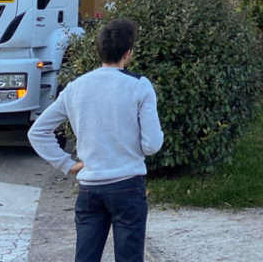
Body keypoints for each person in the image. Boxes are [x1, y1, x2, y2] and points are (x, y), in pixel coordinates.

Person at [28, 18, 163, 262]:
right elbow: (152, 145)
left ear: (99, 50)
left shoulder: (76, 87)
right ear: (128, 53)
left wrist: (67, 164)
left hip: (90, 188)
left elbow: (37, 132)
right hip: (127, 185)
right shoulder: (139, 85)